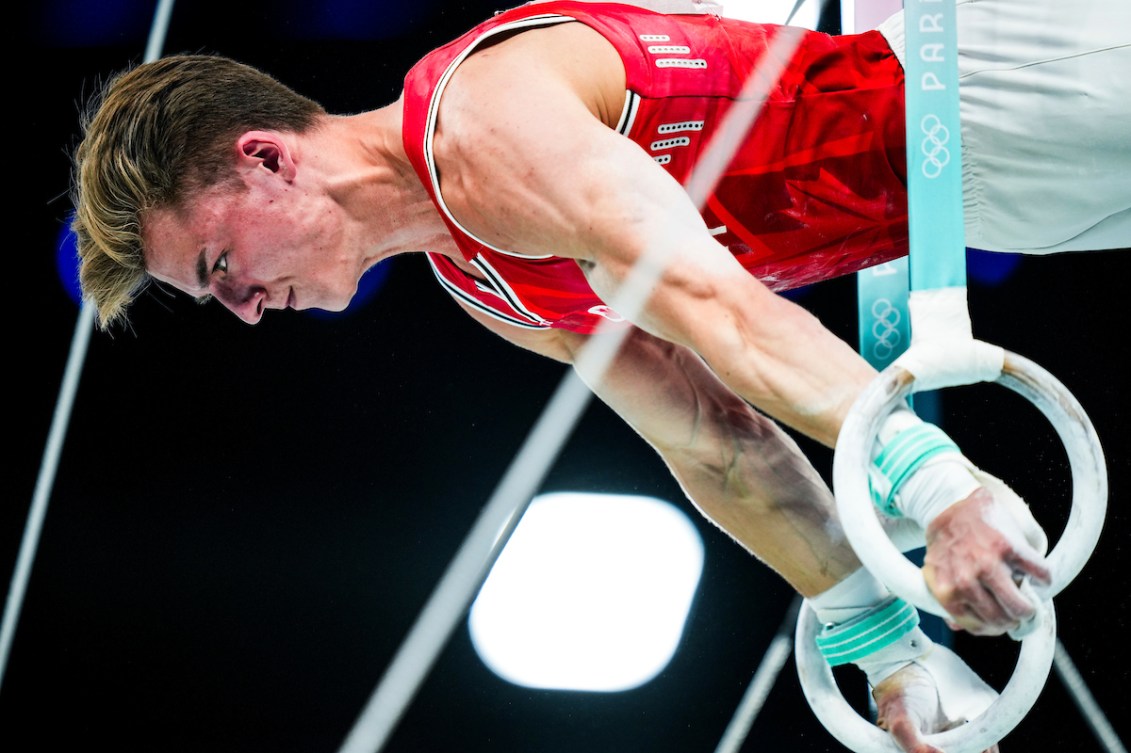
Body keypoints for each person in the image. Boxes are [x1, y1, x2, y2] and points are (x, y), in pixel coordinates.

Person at [69, 0, 1128, 750]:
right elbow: (718, 447)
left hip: (985, 80)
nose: (247, 309)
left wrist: (939, 489)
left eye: (222, 270)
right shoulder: (482, 286)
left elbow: (715, 308)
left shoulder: (482, 117)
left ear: (265, 158)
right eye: (217, 301)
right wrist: (884, 643)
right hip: (979, 198)